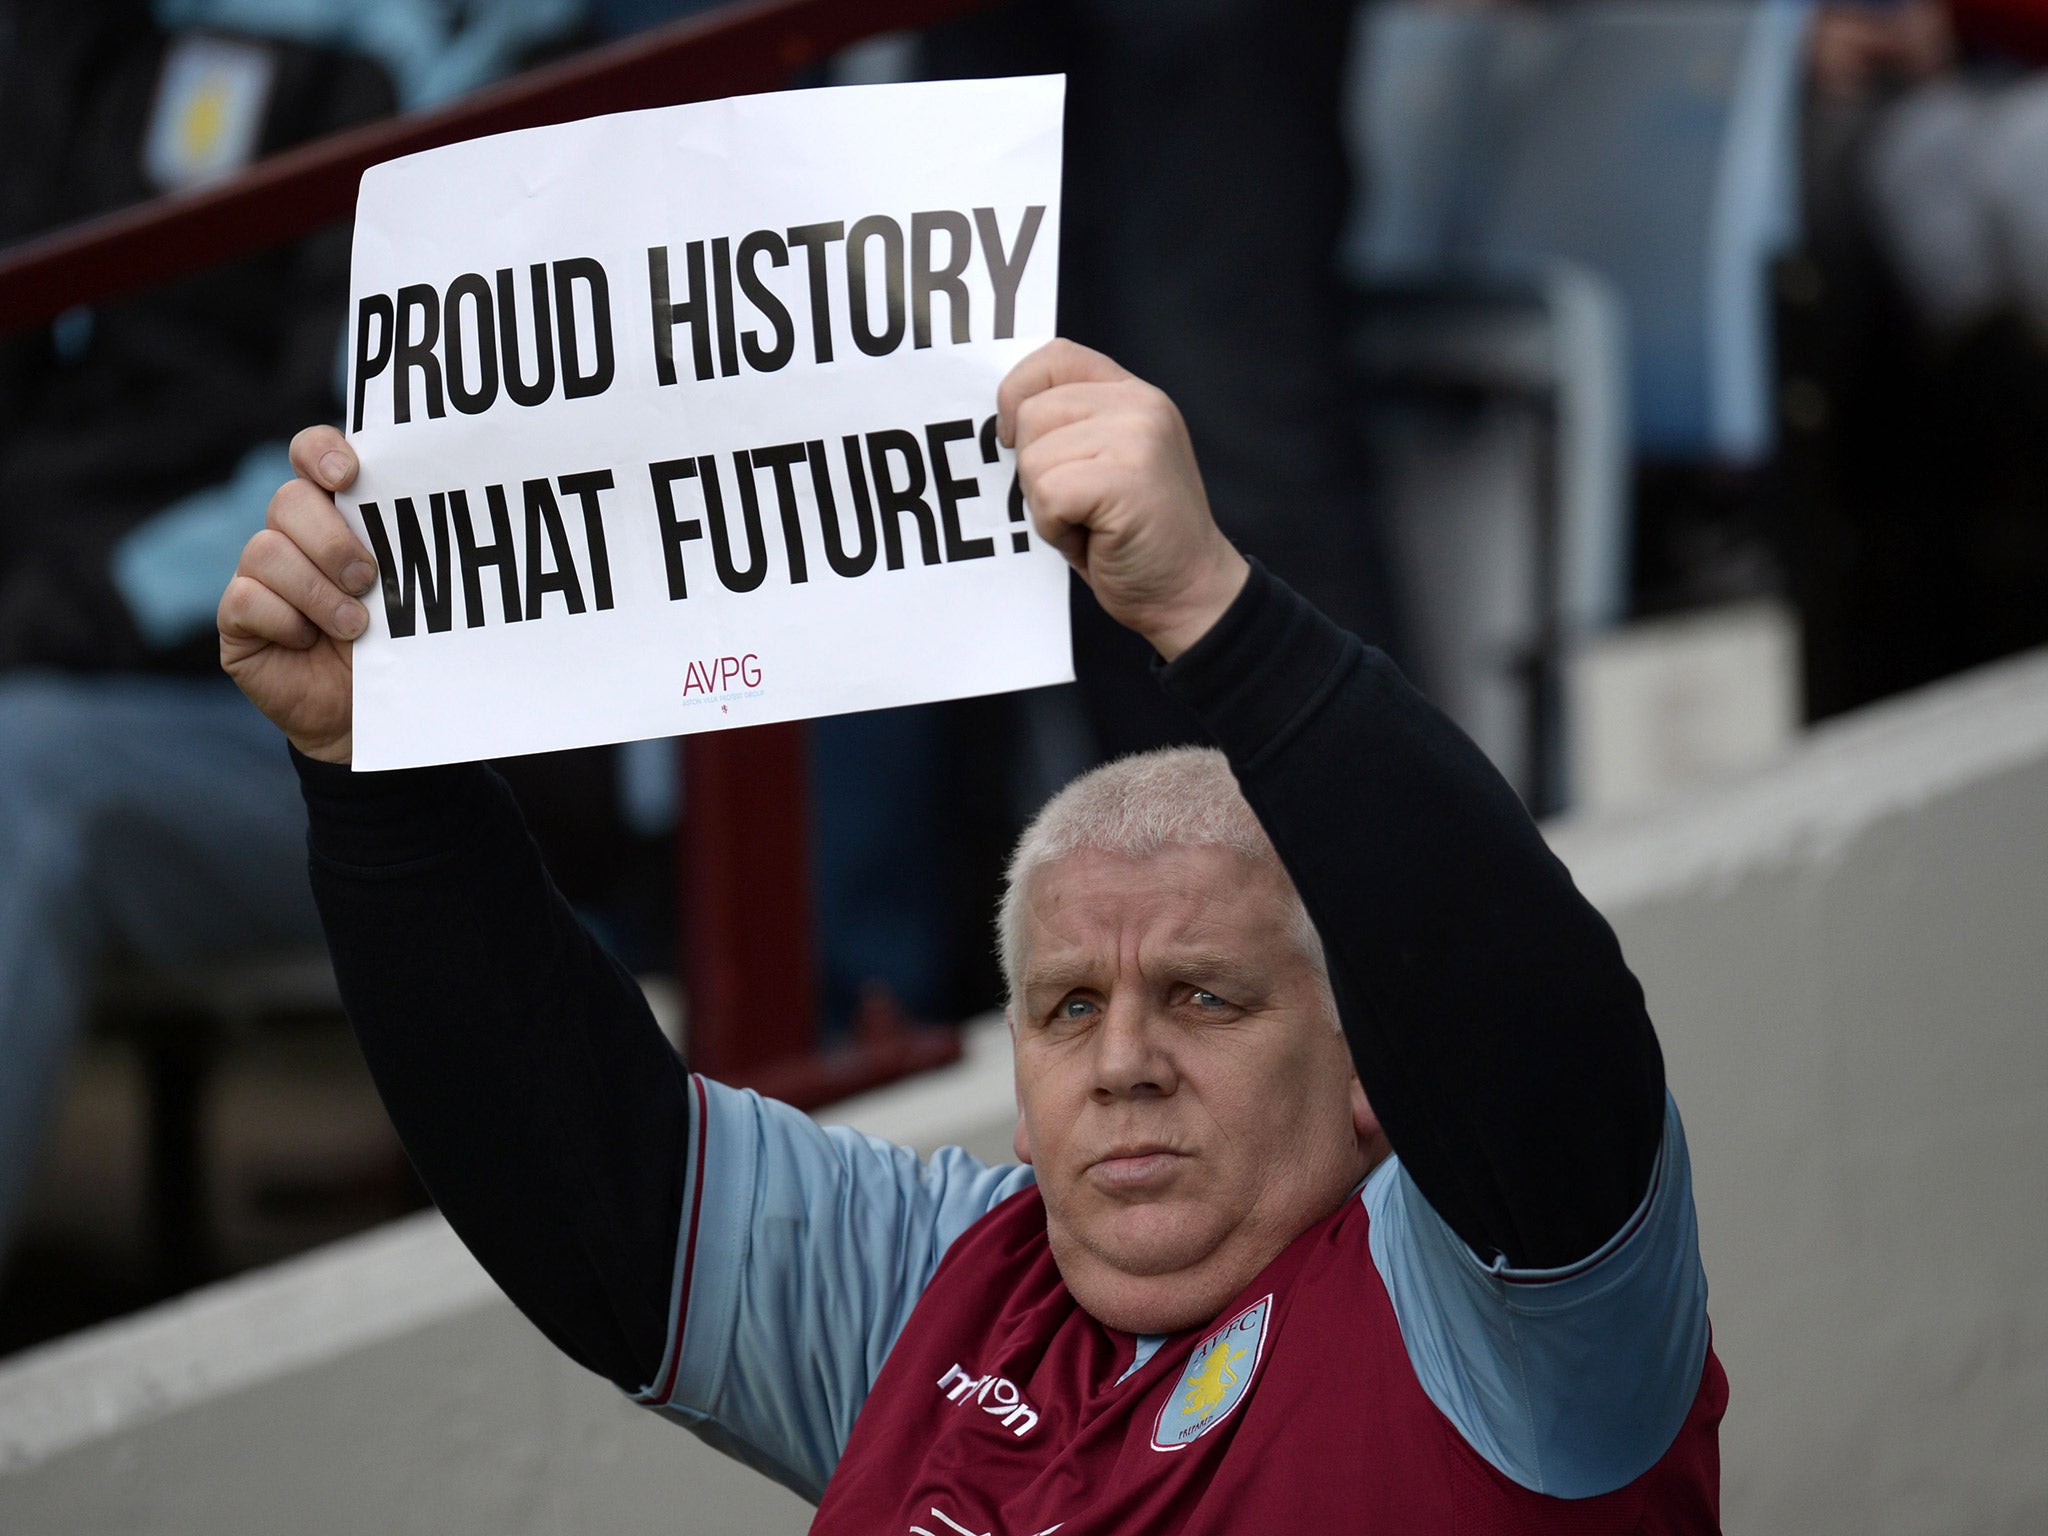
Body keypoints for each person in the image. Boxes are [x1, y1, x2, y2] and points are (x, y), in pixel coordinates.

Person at [219, 339, 1722, 1528]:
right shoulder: (949, 1278)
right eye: (1068, 1008)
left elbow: (1522, 1019)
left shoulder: (1498, 1326)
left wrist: (1209, 605)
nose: (1123, 1061)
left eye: (1203, 996)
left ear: (1369, 1068)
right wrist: (377, 779)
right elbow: (584, 1175)